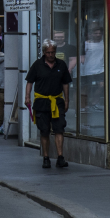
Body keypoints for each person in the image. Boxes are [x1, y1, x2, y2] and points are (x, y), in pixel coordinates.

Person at [26, 41, 74, 169]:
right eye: (48, 52)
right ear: (44, 52)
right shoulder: (37, 65)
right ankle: (46, 158)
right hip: (42, 102)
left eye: (53, 52)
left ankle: (60, 157)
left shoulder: (61, 65)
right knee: (44, 131)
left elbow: (65, 83)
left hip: (57, 101)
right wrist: (27, 97)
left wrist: (67, 100)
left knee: (59, 129)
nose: (51, 55)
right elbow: (30, 82)